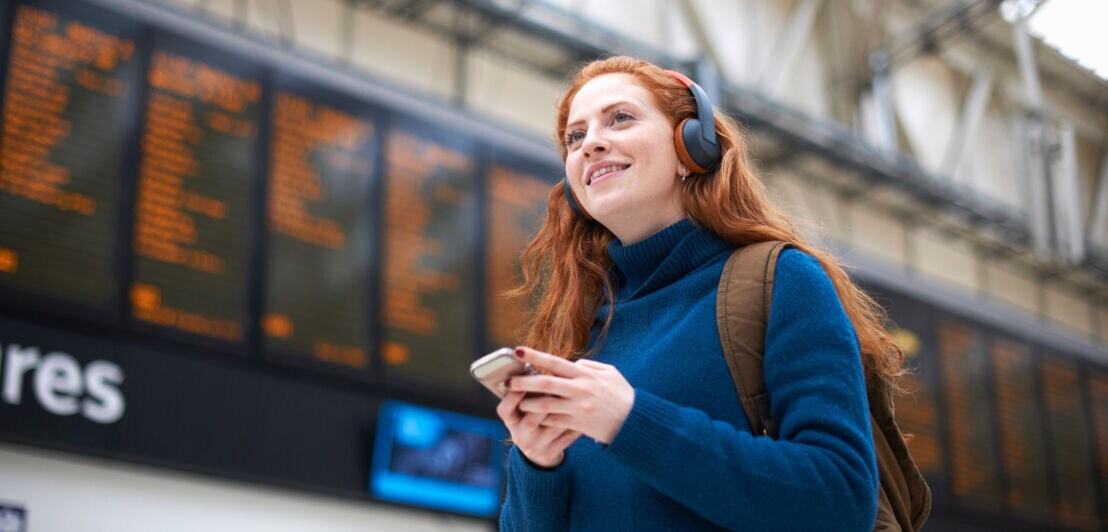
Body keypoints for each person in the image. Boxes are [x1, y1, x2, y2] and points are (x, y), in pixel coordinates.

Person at [495, 56, 904, 531]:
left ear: (693, 146)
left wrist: (628, 420)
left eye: (620, 118)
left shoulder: (782, 280)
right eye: (575, 136)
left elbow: (840, 499)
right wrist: (537, 463)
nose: (591, 144)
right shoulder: (585, 330)